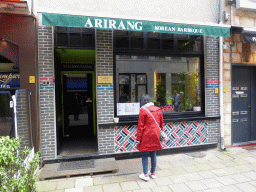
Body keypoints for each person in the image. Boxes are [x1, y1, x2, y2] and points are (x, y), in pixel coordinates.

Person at [136, 94, 164, 181]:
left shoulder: (143, 110)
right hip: (155, 135)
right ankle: (153, 173)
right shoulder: (158, 110)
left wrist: (138, 139)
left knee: (144, 155)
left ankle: (145, 174)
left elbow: (140, 126)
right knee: (153, 154)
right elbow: (161, 125)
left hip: (146, 135)